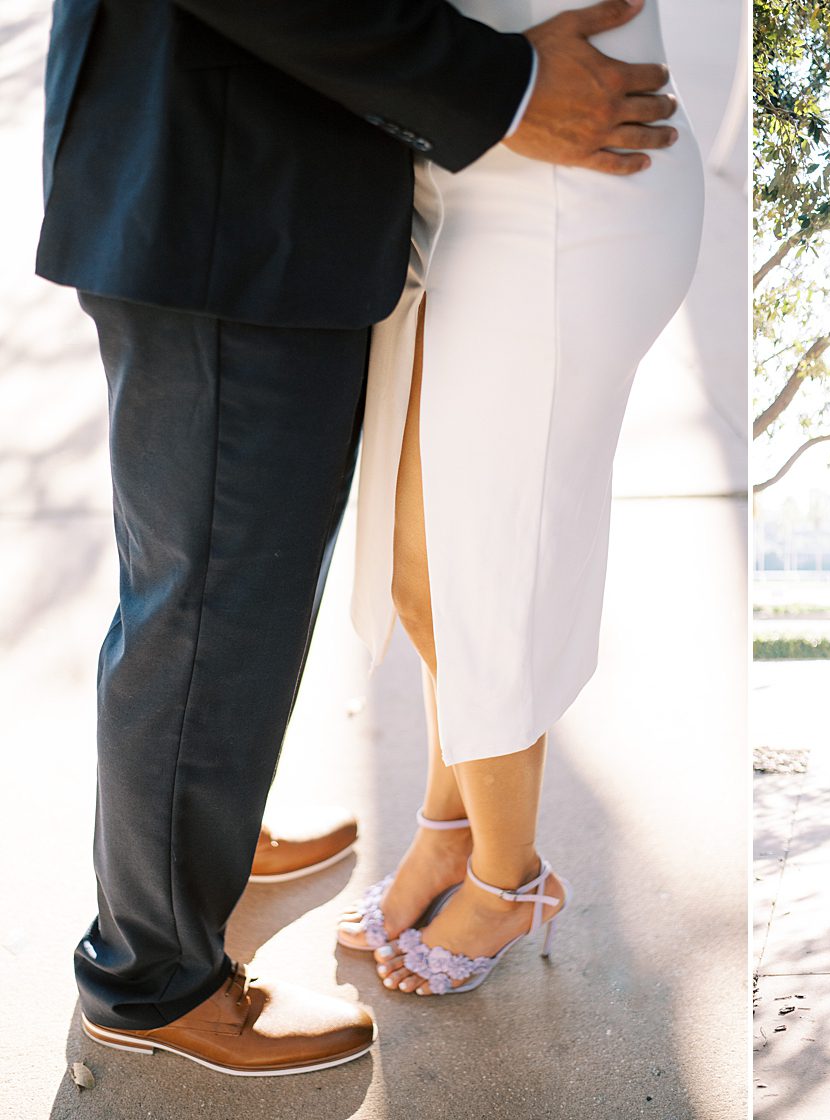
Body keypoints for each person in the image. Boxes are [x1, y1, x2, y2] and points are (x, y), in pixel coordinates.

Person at [36, 0, 678, 1075]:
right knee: (206, 600)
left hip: (266, 191)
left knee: (232, 584)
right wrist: (498, 86)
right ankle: (153, 977)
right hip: (226, 189)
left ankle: (196, 850)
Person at [334, 0, 704, 997]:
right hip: (464, 165)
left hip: (567, 184)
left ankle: (512, 877)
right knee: (420, 566)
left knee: (479, 576)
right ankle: (449, 832)